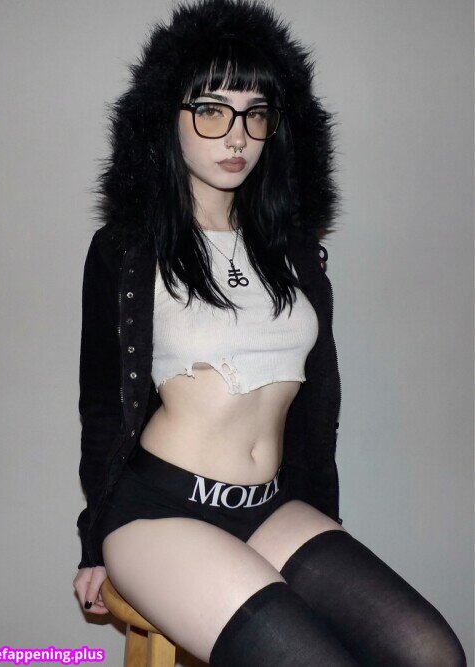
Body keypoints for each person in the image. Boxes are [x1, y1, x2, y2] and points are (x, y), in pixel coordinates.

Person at [72, 0, 467, 664]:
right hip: (161, 510)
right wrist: (93, 543)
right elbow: (103, 406)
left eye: (255, 113)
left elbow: (316, 407)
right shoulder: (127, 250)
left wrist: (323, 517)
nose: (237, 136)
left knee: (430, 651)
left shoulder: (291, 250)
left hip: (271, 506)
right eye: (211, 110)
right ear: (165, 117)